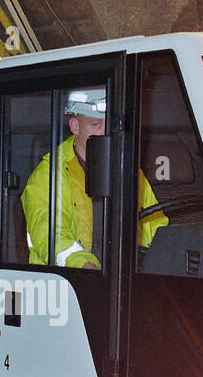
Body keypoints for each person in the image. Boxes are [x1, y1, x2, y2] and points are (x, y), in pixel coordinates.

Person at [21, 89, 166, 269]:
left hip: (124, 277)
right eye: (96, 125)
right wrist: (86, 267)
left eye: (111, 125)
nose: (106, 133)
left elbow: (155, 224)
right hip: (68, 282)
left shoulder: (127, 169)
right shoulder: (49, 174)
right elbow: (49, 235)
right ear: (75, 127)